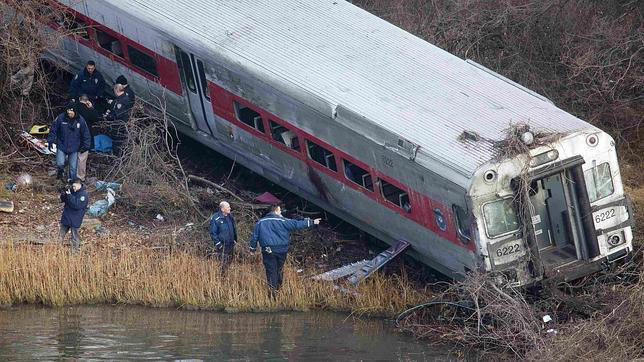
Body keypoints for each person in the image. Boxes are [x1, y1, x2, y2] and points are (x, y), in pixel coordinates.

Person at [249, 205, 321, 296]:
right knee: (279, 269)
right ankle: (279, 290)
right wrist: (312, 222)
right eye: (279, 211)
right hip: (282, 250)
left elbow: (254, 237)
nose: (281, 213)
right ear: (275, 211)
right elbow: (296, 224)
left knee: (271, 271)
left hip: (268, 250)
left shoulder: (260, 222)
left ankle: (272, 294)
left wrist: (252, 249)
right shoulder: (283, 221)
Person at [48, 104, 91, 181]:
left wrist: (86, 146)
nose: (69, 112)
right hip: (62, 145)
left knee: (73, 168)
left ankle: (71, 182)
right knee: (60, 163)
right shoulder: (61, 118)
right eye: (68, 110)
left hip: (74, 147)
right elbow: (53, 129)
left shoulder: (80, 120)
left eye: (71, 111)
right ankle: (60, 173)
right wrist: (50, 140)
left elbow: (86, 134)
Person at [75, 94, 101, 182]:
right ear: (87, 101)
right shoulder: (89, 110)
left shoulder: (73, 108)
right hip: (85, 137)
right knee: (82, 158)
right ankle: (80, 177)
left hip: (73, 136)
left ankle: (70, 175)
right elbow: (97, 118)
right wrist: (91, 108)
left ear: (79, 99)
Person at [59, 178, 89, 251]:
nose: (73, 188)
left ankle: (74, 252)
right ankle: (57, 249)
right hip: (67, 217)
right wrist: (64, 194)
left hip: (75, 218)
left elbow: (77, 205)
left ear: (79, 185)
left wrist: (69, 195)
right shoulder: (71, 191)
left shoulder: (83, 195)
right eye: (73, 186)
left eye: (75, 186)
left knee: (74, 237)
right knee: (60, 235)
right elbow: (63, 200)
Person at [103, 83, 134, 155]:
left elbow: (117, 114)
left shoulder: (121, 101)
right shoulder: (126, 97)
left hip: (119, 125)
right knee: (121, 142)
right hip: (124, 124)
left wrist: (107, 116)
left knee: (117, 143)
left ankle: (116, 157)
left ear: (117, 90)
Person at [209, 201, 237, 274]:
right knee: (222, 263)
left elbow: (233, 228)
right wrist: (218, 244)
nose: (230, 208)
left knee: (230, 260)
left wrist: (235, 239)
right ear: (222, 209)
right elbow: (212, 233)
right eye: (228, 207)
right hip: (222, 245)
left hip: (231, 244)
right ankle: (221, 278)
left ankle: (225, 275)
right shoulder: (216, 218)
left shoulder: (230, 216)